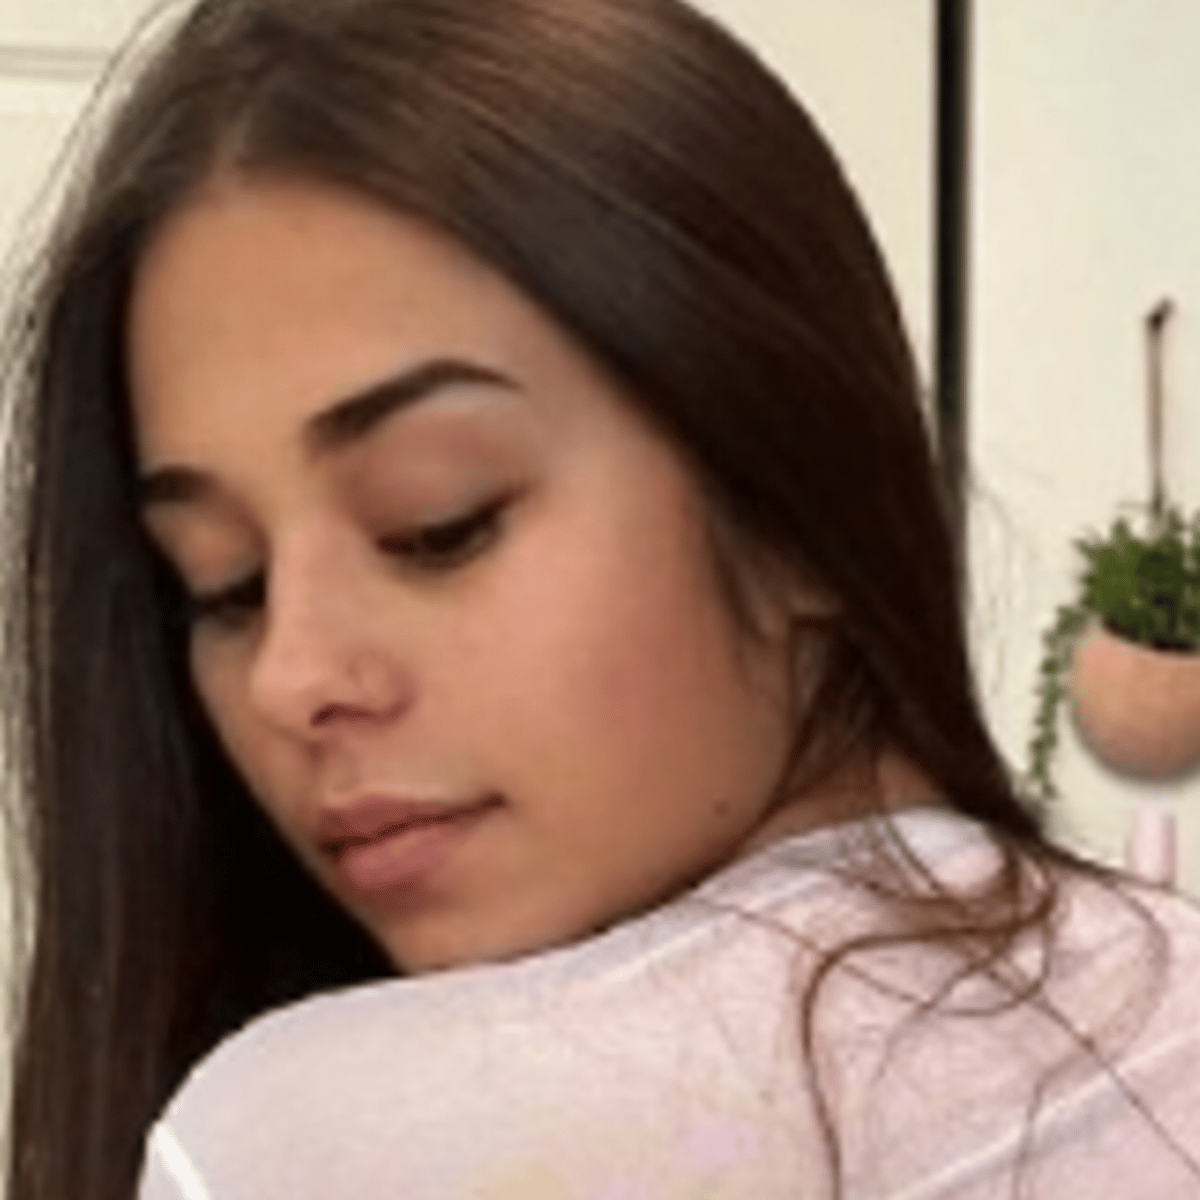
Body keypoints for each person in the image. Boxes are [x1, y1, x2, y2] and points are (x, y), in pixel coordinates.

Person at [2, 0, 1199, 1196]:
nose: (291, 676)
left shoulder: (314, 1145)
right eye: (222, 586)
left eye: (438, 525)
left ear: (793, 492)